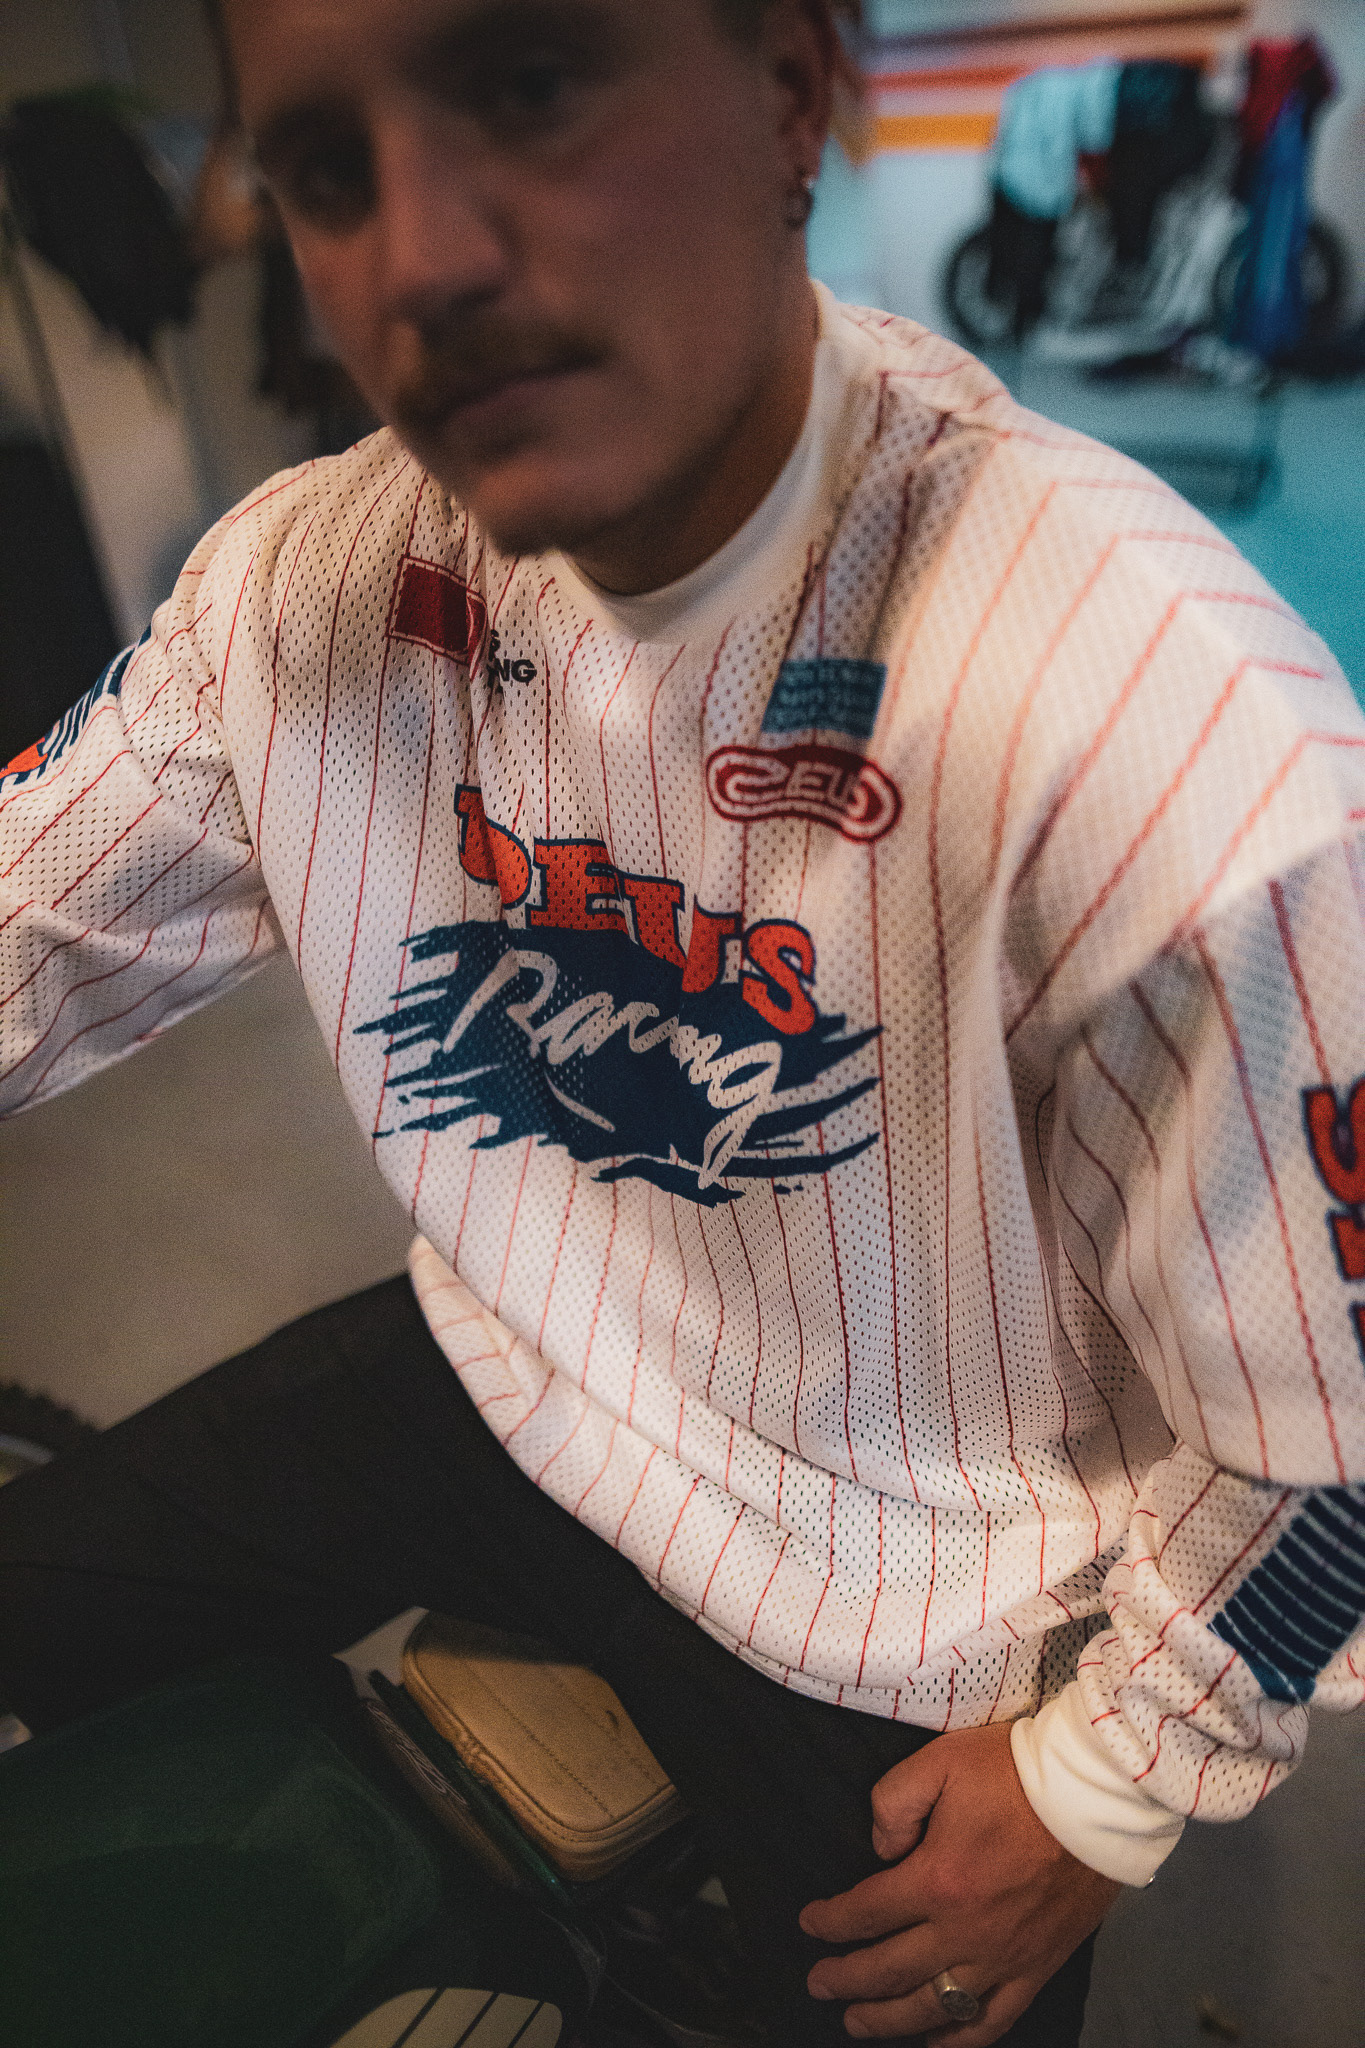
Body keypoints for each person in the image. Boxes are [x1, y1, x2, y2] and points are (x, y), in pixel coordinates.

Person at [2, 1, 1363, 2041]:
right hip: (517, 1364)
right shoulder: (312, 584)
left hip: (911, 1567)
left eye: (530, 88)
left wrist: (1109, 1776)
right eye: (326, 172)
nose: (420, 256)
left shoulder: (1165, 736)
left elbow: (1338, 1415)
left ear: (792, 92)